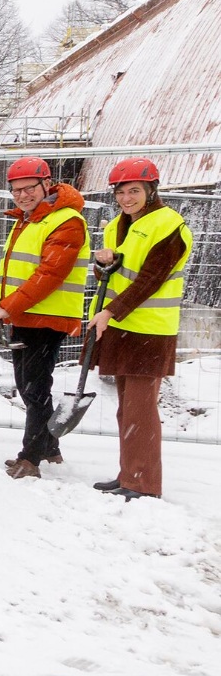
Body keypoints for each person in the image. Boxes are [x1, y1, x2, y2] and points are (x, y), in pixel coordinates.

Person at [89, 157, 192, 500]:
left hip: (149, 330)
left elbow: (150, 279)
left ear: (151, 190)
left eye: (134, 190)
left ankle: (143, 482)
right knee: (127, 408)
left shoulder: (169, 225)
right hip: (122, 326)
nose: (126, 198)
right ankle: (129, 474)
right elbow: (117, 274)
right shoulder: (117, 225)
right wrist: (102, 264)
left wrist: (110, 312)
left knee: (139, 408)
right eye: (120, 192)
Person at [0, 157, 89, 480]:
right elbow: (26, 263)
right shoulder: (32, 219)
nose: (23, 195)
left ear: (48, 184)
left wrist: (9, 306)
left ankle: (30, 458)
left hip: (47, 316)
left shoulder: (66, 221)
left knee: (34, 387)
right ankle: (48, 445)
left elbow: (50, 273)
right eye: (16, 190)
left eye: (29, 188)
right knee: (30, 385)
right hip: (28, 314)